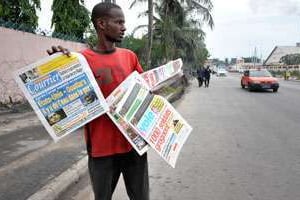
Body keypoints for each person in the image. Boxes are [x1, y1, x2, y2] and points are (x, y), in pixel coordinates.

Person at [47, 3, 149, 200]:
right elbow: (63, 98)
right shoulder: (80, 61)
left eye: (124, 22)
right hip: (102, 151)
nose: (124, 27)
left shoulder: (130, 57)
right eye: (118, 22)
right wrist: (55, 64)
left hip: (134, 146)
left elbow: (145, 94)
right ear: (101, 23)